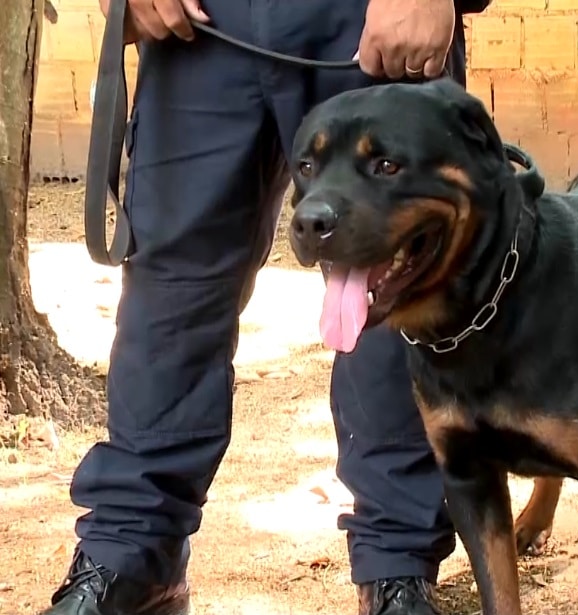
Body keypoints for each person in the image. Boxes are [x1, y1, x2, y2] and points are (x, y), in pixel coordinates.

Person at [43, 0, 487, 613]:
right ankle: (133, 557)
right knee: (169, 294)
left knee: (396, 281)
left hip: (368, 16)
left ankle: (398, 569)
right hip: (198, 23)